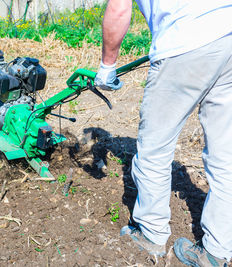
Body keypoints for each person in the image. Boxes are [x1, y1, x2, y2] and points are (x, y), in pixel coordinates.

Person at [94, 0, 232, 266]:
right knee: (225, 154)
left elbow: (119, 9)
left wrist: (107, 67)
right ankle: (218, 250)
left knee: (155, 148)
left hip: (186, 41)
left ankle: (151, 233)